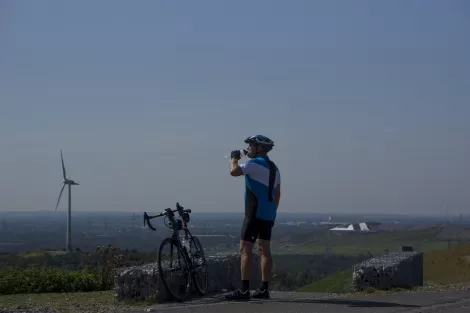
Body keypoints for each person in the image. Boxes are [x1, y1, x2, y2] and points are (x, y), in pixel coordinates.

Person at [225, 135, 281, 300]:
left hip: (253, 213)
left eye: (251, 145)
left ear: (260, 148)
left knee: (245, 250)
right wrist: (272, 213)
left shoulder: (254, 163)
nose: (248, 148)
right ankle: (264, 289)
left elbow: (233, 172)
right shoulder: (274, 168)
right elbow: (277, 194)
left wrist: (234, 158)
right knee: (265, 250)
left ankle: (244, 290)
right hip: (268, 214)